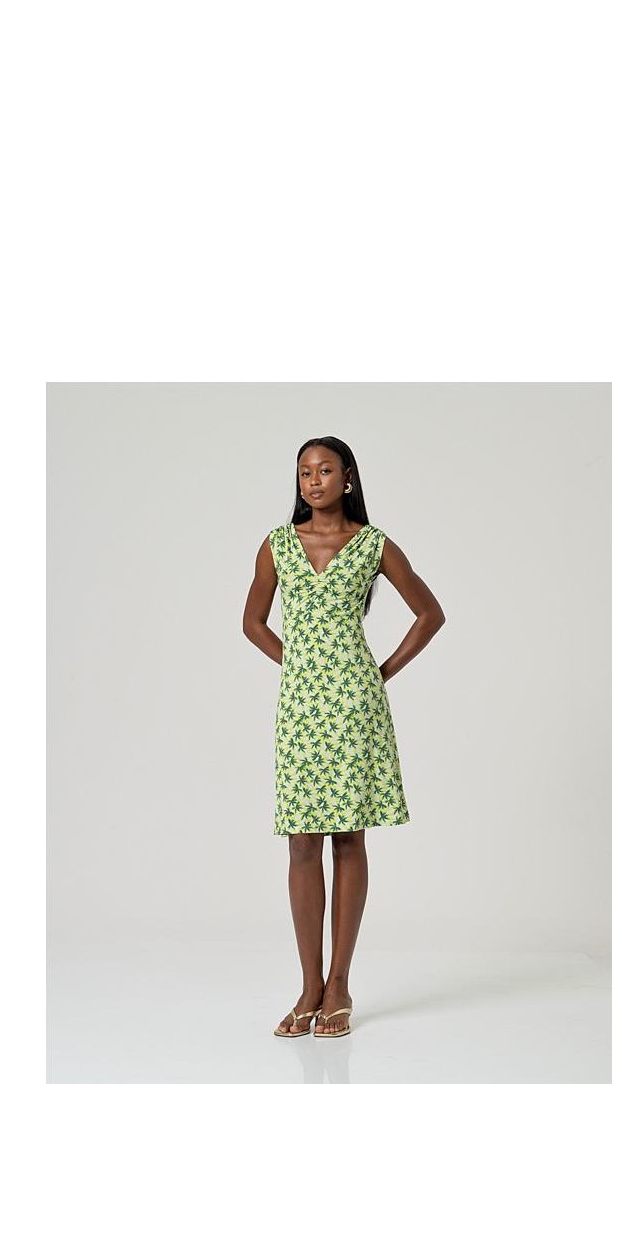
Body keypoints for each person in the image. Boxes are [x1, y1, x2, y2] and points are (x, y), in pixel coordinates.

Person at [242, 436, 446, 1037]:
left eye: (325, 470)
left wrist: (377, 673)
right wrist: (299, 665)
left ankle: (339, 985)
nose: (313, 481)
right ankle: (308, 987)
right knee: (302, 842)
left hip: (355, 707)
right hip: (302, 711)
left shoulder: (373, 544)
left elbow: (429, 613)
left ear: (347, 477)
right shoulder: (277, 545)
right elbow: (252, 622)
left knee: (349, 838)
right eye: (304, 472)